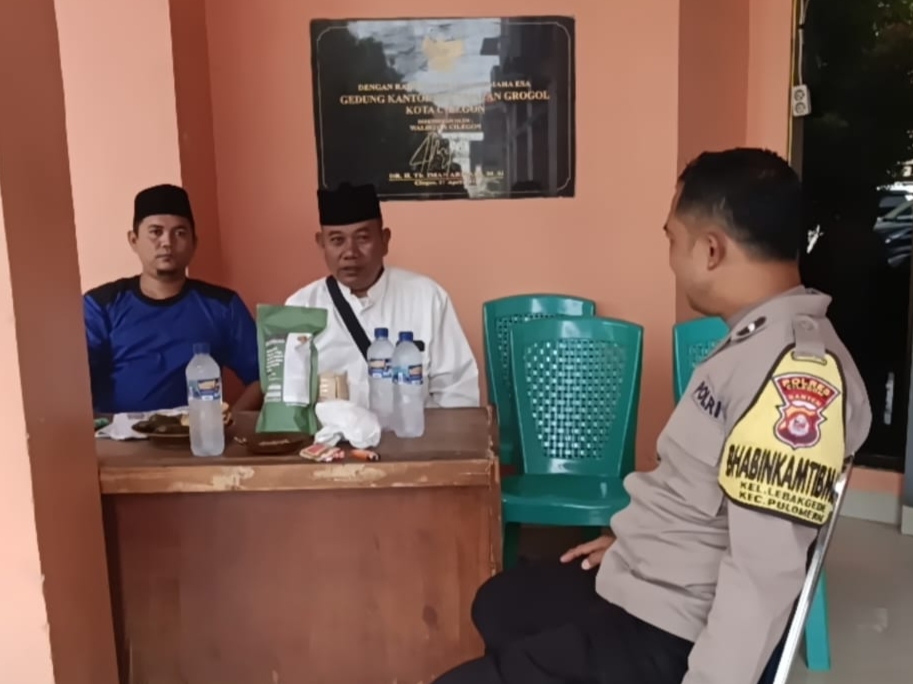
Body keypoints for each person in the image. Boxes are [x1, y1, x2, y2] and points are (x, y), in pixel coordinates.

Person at [431, 149, 872, 684]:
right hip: (653, 579)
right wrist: (636, 544)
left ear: (711, 250)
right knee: (502, 604)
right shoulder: (753, 341)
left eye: (672, 239)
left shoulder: (795, 379)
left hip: (672, 633)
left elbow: (763, 575)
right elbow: (700, 494)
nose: (671, 258)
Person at [285, 182, 479, 408]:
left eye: (362, 238)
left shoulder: (427, 298)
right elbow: (291, 399)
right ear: (321, 245)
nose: (350, 253)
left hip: (415, 430)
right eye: (337, 240)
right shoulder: (301, 307)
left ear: (384, 240)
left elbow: (457, 392)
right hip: (331, 432)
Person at [84, 184, 261, 414]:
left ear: (194, 243)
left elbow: (262, 378)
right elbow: (75, 382)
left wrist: (227, 421)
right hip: (118, 433)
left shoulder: (223, 306)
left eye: (180, 233)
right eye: (156, 232)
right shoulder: (101, 305)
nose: (167, 242)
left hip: (197, 433)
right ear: (133, 240)